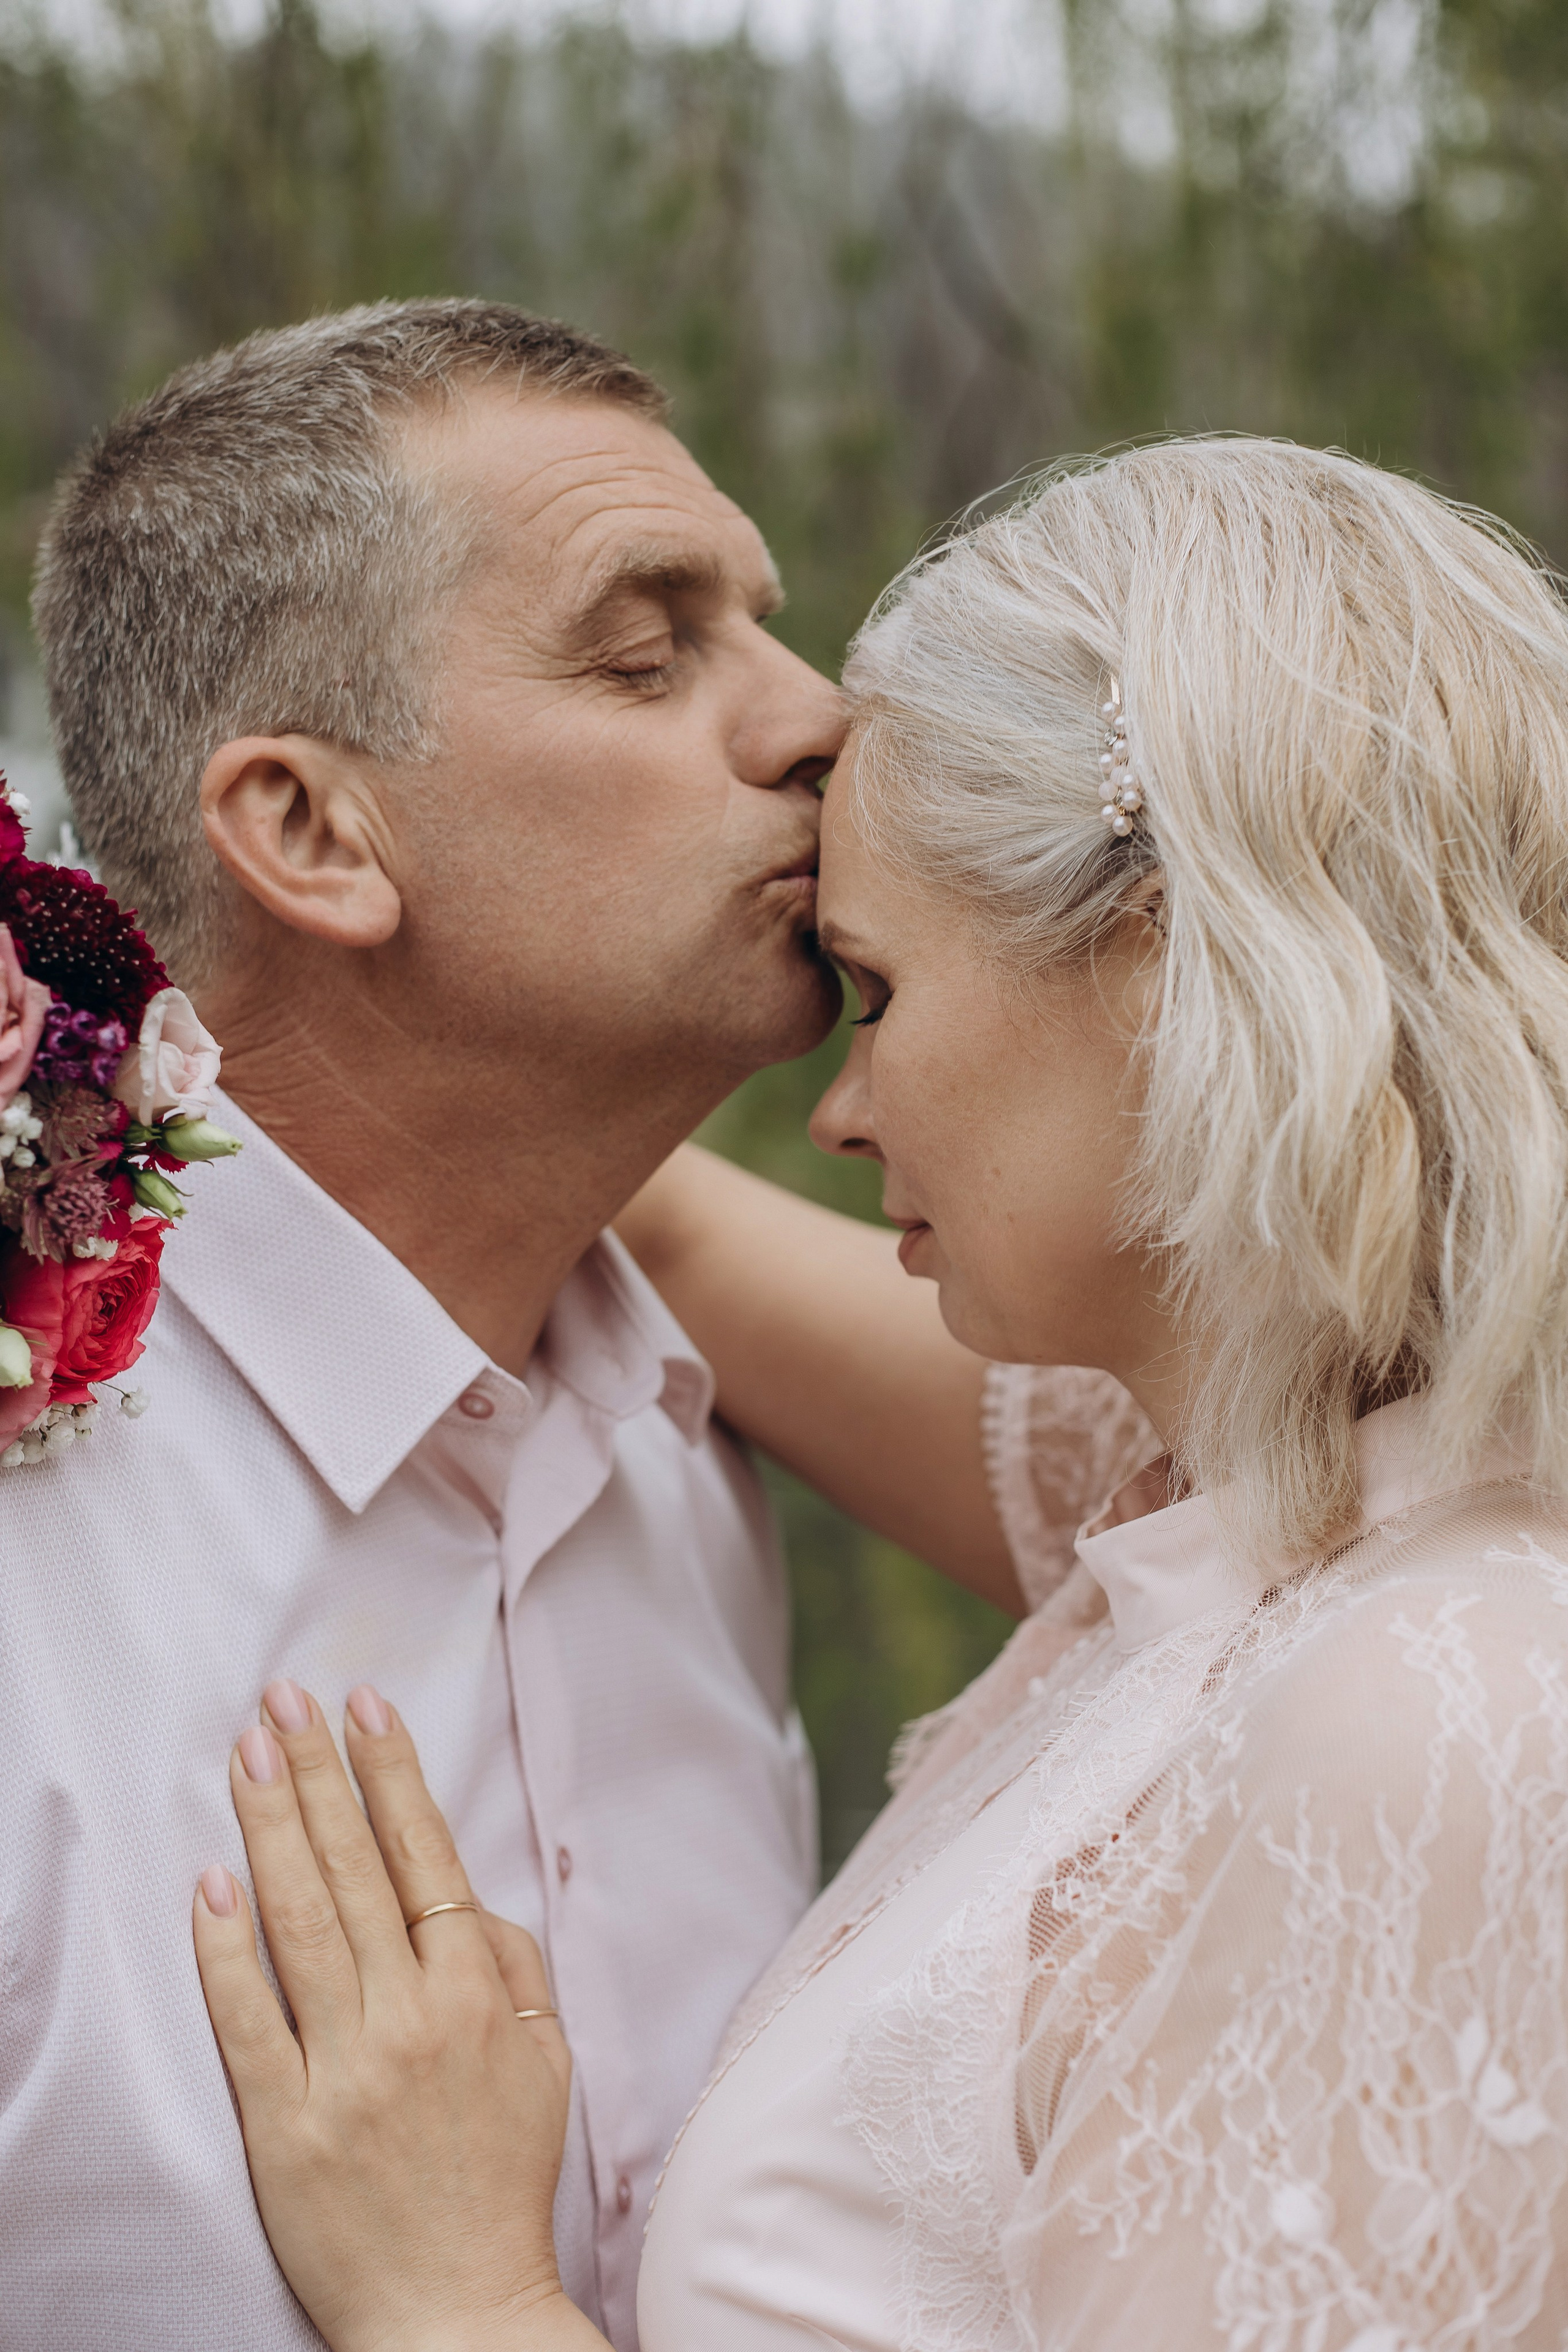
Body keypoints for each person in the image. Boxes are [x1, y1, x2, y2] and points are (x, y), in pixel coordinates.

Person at [196, 437, 1568, 2350]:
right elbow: (648, 1234)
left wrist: (455, 2298)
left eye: (879, 992)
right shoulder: (1289, 1480)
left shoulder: (1428, 1719)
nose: (840, 1110)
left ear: (1170, 964)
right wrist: (98, 1063)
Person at [1, 296, 1078, 2352]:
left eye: (766, 625)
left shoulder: (688, 1442)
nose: (817, 723)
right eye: (649, 650)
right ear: (313, 830)